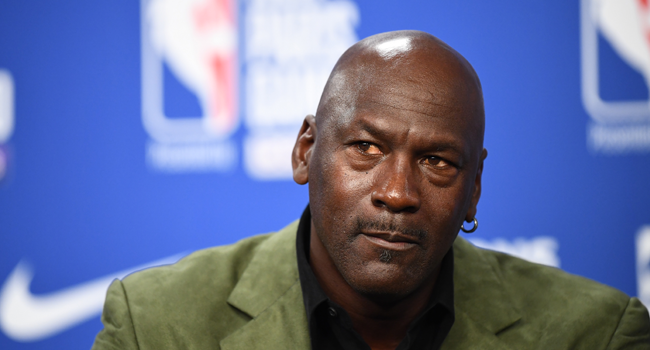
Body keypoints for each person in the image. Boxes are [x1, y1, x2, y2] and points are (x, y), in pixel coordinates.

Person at [91, 30, 650, 350]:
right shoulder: (156, 324)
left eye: (436, 161)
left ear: (474, 188)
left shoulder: (595, 334)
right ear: (306, 150)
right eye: (367, 148)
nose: (397, 192)